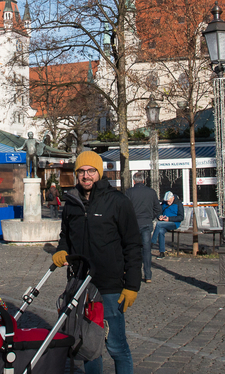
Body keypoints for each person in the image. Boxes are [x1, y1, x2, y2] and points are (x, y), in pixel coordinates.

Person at [53, 151, 140, 374]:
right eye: (81, 171)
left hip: (109, 286)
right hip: (80, 284)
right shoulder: (71, 202)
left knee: (117, 346)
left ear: (99, 173)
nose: (86, 175)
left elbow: (132, 244)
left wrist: (131, 285)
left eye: (91, 171)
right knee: (88, 346)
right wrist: (62, 250)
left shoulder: (118, 201)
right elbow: (66, 235)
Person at [125, 172, 160, 283]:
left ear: (134, 181)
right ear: (144, 180)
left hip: (133, 224)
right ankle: (148, 275)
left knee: (133, 250)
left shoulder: (129, 192)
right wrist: (151, 217)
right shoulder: (151, 192)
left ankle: (134, 274)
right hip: (146, 222)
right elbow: (158, 209)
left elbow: (125, 208)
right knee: (146, 250)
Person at [152, 191, 185, 260]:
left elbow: (181, 217)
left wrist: (169, 219)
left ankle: (152, 242)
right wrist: (159, 217)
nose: (168, 203)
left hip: (174, 223)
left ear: (173, 198)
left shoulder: (178, 204)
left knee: (158, 224)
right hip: (164, 223)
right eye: (167, 202)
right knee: (160, 231)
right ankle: (162, 252)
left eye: (169, 201)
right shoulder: (164, 203)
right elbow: (159, 212)